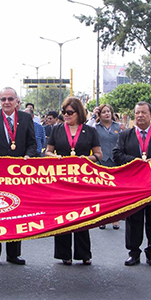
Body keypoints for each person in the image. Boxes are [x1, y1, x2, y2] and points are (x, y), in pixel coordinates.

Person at [0, 87, 37, 266]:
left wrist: (28, 156)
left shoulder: (26, 118)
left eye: (10, 99)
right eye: (3, 99)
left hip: (18, 175)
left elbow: (32, 143)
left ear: (16, 101)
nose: (6, 102)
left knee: (15, 213)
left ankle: (14, 254)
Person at [45, 97, 102, 265]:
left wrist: (87, 158)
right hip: (61, 179)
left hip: (82, 179)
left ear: (79, 113)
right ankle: (64, 254)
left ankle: (84, 253)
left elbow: (99, 155)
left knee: (82, 215)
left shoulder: (90, 131)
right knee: (62, 216)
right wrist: (57, 157)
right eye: (64, 112)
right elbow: (47, 151)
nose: (66, 115)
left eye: (70, 112)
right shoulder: (56, 130)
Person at [113, 102, 151, 266]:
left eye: (144, 113)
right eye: (137, 113)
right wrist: (135, 162)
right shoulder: (125, 135)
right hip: (133, 187)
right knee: (133, 220)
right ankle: (133, 252)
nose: (140, 116)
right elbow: (117, 154)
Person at [93, 104, 122, 230]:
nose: (107, 114)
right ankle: (103, 217)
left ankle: (115, 218)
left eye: (109, 111)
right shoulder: (95, 128)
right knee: (102, 191)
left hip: (116, 161)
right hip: (101, 161)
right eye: (104, 112)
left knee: (116, 191)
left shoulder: (118, 126)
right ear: (99, 115)